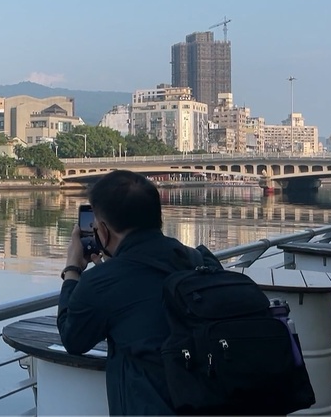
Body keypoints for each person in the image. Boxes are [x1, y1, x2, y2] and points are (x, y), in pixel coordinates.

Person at [56, 169, 221, 415]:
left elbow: (73, 338)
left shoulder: (102, 283)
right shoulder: (200, 259)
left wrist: (72, 269)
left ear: (102, 230)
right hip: (216, 403)